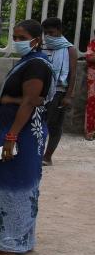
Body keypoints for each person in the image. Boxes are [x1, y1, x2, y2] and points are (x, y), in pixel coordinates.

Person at [0, 20, 56, 255]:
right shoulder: (29, 62)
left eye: (21, 38)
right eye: (15, 36)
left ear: (36, 40)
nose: (17, 41)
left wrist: (11, 136)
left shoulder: (36, 66)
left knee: (13, 184)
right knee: (5, 180)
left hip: (19, 133)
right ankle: (6, 236)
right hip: (13, 129)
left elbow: (31, 101)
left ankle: (9, 243)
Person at [40, 17, 78, 165]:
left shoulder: (69, 49)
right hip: (42, 91)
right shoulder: (41, 46)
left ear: (59, 31)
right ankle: (36, 154)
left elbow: (73, 74)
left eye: (51, 32)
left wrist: (68, 96)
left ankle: (47, 157)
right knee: (40, 124)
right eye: (45, 33)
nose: (48, 36)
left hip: (58, 92)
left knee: (54, 125)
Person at [86, 31, 95, 140]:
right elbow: (89, 58)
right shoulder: (92, 44)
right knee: (92, 104)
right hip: (93, 79)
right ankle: (90, 132)